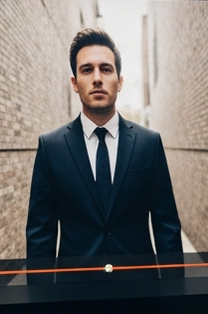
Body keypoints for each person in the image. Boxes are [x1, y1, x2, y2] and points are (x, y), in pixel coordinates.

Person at [25, 29, 182, 275]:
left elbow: (167, 228)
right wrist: (41, 304)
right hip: (75, 295)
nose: (97, 78)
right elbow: (40, 236)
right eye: (87, 70)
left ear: (119, 81)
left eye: (106, 69)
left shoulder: (149, 143)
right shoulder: (51, 147)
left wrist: (174, 294)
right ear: (75, 83)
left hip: (141, 292)